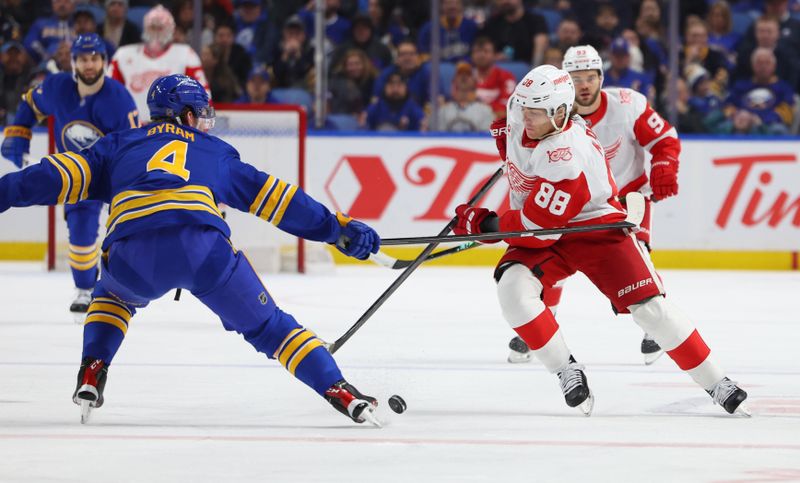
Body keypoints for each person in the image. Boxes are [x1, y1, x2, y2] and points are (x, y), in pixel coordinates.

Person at [0, 74, 383, 426]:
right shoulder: (215, 151)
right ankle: (341, 391)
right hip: (204, 251)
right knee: (271, 328)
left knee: (112, 297)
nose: (203, 122)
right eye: (199, 114)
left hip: (133, 253)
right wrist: (336, 229)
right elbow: (282, 201)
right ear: (184, 113)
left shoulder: (116, 143)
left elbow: (49, 177)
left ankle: (92, 368)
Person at [454, 64, 748, 416]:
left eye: (536, 112)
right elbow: (525, 165)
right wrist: (513, 146)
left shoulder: (565, 153)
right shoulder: (521, 117)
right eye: (523, 108)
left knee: (651, 310)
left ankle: (717, 382)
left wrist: (485, 224)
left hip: (594, 227)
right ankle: (566, 369)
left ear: (561, 113)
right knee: (513, 291)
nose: (526, 118)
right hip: (551, 226)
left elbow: (537, 228)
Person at [506, 45, 681, 365]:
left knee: (637, 253)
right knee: (547, 254)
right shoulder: (550, 117)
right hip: (574, 201)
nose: (584, 85)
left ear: (601, 77)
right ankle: (544, 318)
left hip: (625, 197)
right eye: (576, 78)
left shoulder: (628, 105)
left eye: (590, 77)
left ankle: (656, 325)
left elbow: (665, 139)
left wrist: (664, 166)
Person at [1, 33, 138, 322]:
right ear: (74, 62)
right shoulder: (57, 87)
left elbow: (130, 147)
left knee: (130, 230)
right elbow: (30, 103)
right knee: (81, 231)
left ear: (104, 61)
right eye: (83, 59)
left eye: (94, 58)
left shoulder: (119, 99)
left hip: (113, 173)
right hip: (77, 172)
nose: (89, 65)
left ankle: (129, 283)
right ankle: (86, 288)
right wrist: (19, 131)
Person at [108, 5, 208, 122]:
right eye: (152, 27)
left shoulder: (186, 55)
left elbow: (202, 98)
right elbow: (108, 95)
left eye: (161, 28)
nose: (156, 32)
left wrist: (193, 129)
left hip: (172, 131)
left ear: (171, 29)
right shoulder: (123, 55)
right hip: (133, 131)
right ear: (145, 28)